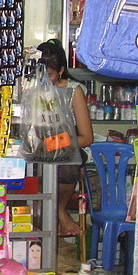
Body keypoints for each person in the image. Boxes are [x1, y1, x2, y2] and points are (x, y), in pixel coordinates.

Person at [37, 39, 93, 237]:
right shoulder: (33, 90)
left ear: (60, 71)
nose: (44, 80)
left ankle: (58, 211)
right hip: (38, 149)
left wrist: (54, 143)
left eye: (49, 75)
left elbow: (87, 138)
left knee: (67, 164)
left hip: (66, 149)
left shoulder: (73, 91)